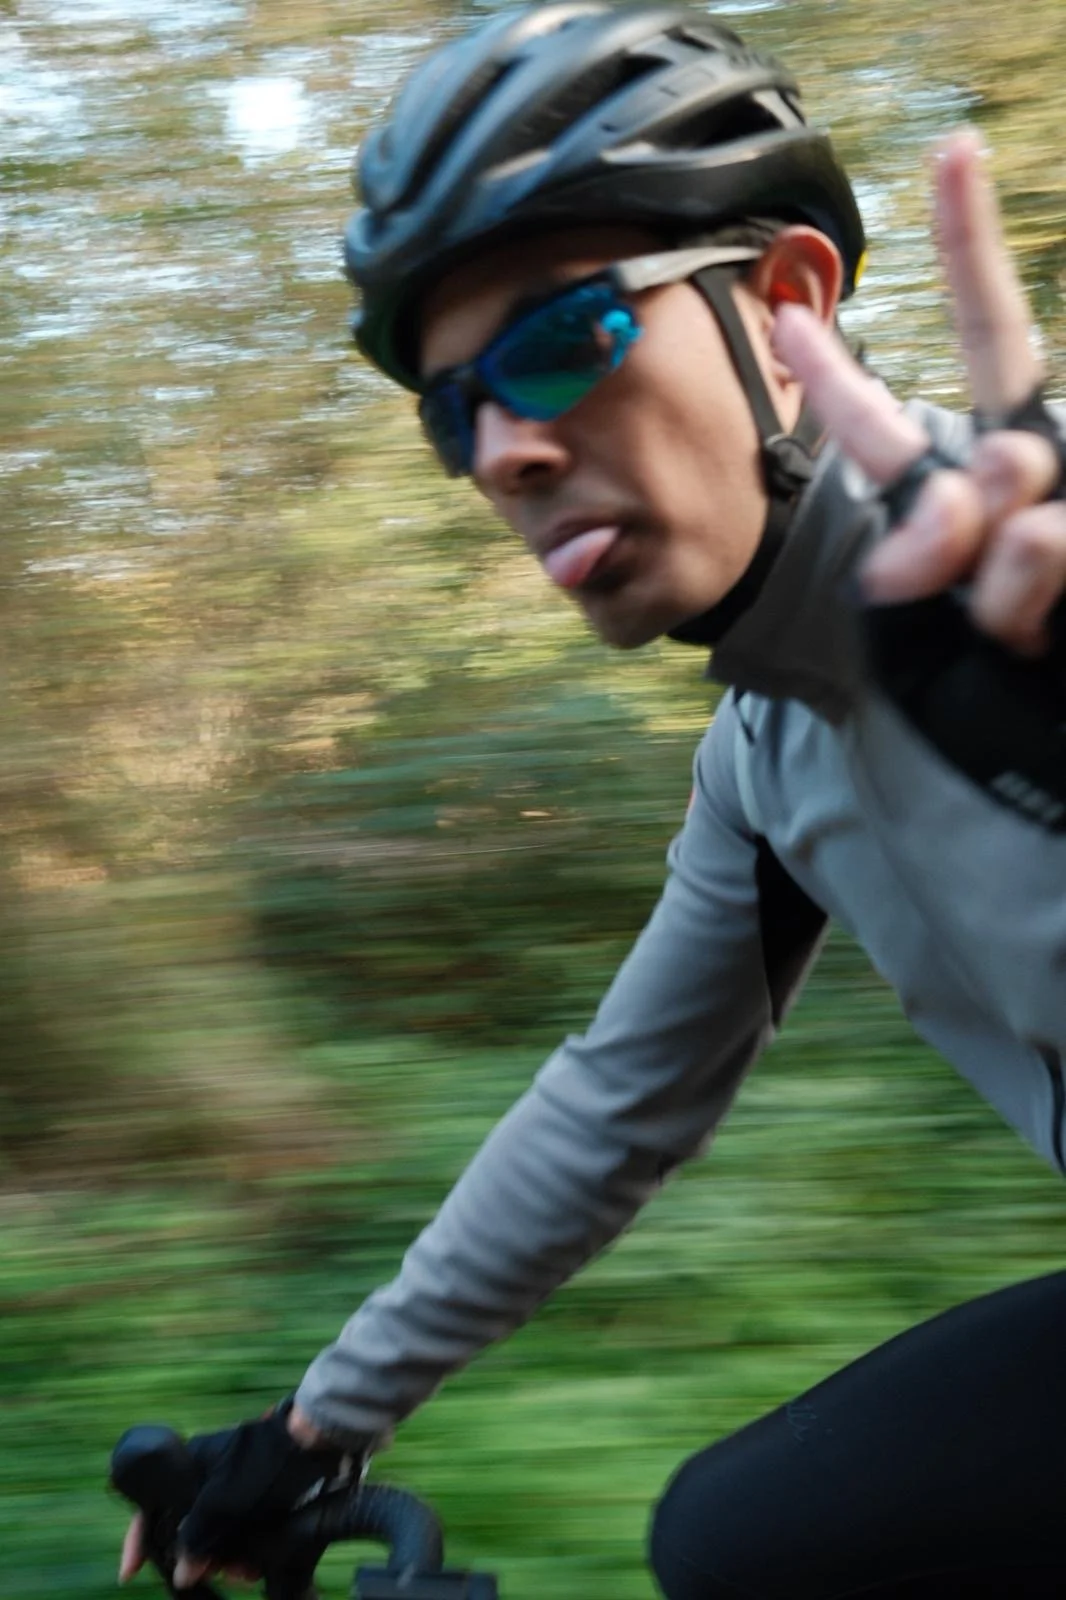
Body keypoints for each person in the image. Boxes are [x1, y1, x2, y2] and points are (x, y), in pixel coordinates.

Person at [121, 5, 1066, 1596]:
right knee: (749, 1543)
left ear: (786, 310)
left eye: (560, 339)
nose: (503, 451)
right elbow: (609, 1106)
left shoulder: (1031, 562)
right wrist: (311, 1433)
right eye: (453, 408)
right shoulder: (766, 759)